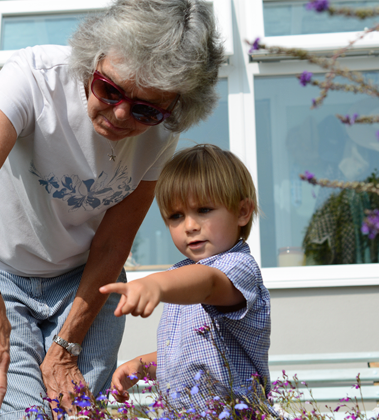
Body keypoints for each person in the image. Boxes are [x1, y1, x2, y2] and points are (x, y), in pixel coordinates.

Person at [0, 0, 224, 418]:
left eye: (145, 109)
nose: (121, 114)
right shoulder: (33, 78)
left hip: (84, 284)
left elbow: (112, 243)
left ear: (173, 107)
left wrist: (67, 345)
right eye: (110, 89)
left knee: (76, 412)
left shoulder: (160, 135)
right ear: (94, 57)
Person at [100, 144, 271, 411]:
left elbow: (209, 283)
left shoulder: (239, 267)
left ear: (242, 212)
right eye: (176, 216)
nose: (189, 226)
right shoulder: (180, 277)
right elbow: (195, 353)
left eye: (203, 210)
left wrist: (156, 283)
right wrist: (144, 365)